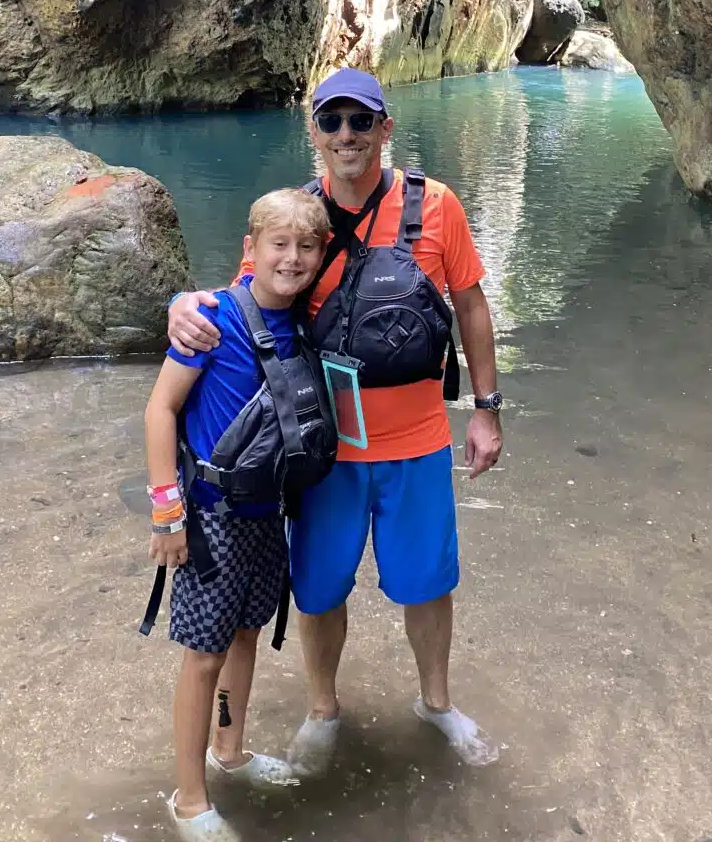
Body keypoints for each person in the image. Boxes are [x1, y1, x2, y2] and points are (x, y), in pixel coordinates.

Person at [168, 68, 505, 773]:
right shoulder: (295, 220)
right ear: (314, 131)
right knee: (319, 589)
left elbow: (471, 306)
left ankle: (435, 703)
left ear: (385, 128)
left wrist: (486, 410)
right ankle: (323, 707)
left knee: (427, 585)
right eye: (332, 121)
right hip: (323, 449)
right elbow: (245, 299)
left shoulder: (436, 205)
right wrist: (184, 303)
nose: (346, 135)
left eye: (361, 120)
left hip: (417, 441)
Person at [145, 188, 332, 841]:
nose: (293, 257)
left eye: (307, 246)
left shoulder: (305, 320)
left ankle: (229, 750)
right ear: (249, 251)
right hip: (210, 515)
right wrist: (166, 511)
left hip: (266, 513)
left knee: (247, 635)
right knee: (203, 655)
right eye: (278, 244)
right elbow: (160, 410)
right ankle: (188, 797)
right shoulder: (213, 318)